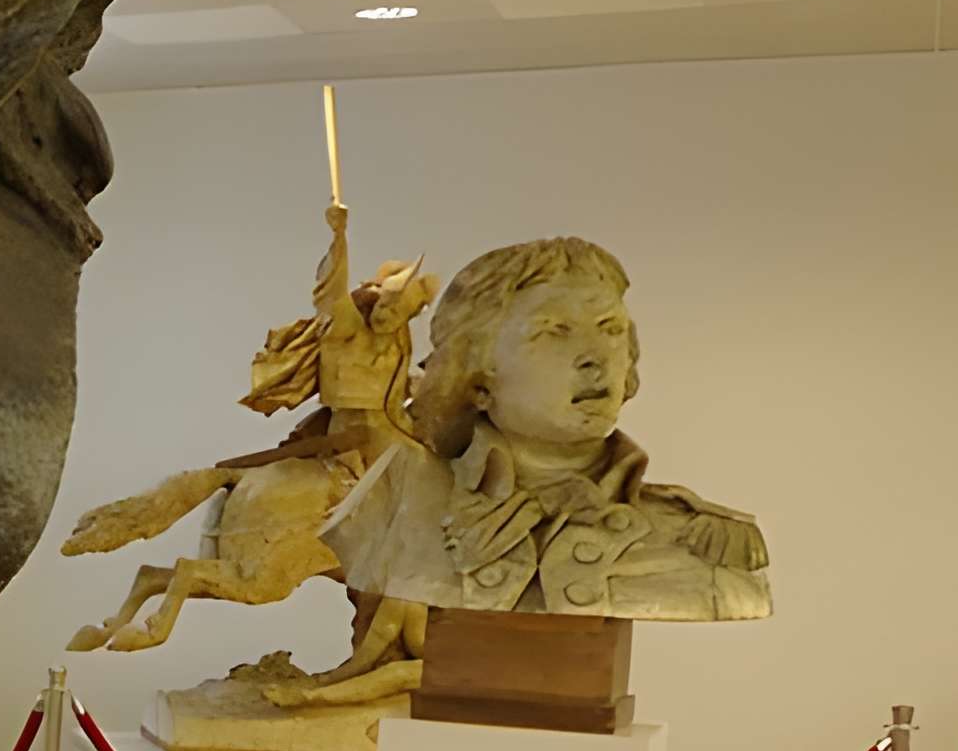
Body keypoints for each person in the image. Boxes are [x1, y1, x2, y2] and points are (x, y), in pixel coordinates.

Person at [323, 237, 768, 620]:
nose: (596, 356)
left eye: (610, 329)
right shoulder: (391, 505)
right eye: (554, 331)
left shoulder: (704, 541)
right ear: (476, 373)